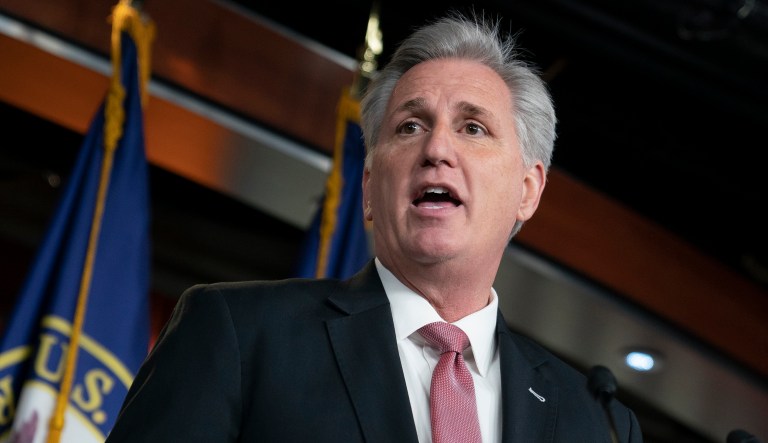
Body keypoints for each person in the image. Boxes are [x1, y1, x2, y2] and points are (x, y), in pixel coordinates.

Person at [105, 11, 643, 443]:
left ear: (528, 189)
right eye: (411, 126)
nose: (436, 149)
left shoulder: (600, 422)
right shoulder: (239, 336)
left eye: (473, 127)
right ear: (368, 187)